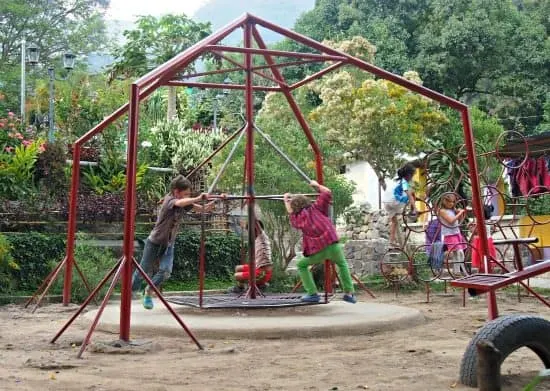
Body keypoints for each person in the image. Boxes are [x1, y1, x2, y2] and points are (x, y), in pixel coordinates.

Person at [131, 175, 215, 309]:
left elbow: (200, 209)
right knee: (143, 270)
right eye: (186, 194)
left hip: (169, 244)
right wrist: (199, 197)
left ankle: (148, 292)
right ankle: (130, 292)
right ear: (176, 192)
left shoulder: (183, 202)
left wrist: (211, 204)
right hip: (155, 242)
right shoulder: (169, 200)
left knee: (166, 271)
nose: (188, 196)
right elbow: (180, 203)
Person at [284, 180, 356, 303]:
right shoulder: (317, 207)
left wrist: (286, 200)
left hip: (319, 250)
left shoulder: (298, 219)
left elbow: (290, 212)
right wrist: (317, 186)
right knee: (342, 264)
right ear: (307, 202)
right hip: (333, 244)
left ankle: (312, 293)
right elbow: (327, 192)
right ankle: (349, 293)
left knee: (302, 265)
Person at [228, 219, 273, 294]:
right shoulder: (256, 239)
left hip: (263, 273)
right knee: (238, 268)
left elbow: (255, 223)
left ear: (255, 230)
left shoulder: (262, 237)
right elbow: (248, 227)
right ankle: (240, 288)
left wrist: (251, 210)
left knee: (237, 276)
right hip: (257, 269)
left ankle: (260, 284)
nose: (248, 233)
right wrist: (243, 224)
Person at [383, 163, 417, 247]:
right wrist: (415, 208)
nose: (412, 178)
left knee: (394, 222)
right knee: (412, 193)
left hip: (386, 202)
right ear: (409, 175)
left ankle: (391, 241)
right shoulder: (404, 182)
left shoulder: (395, 179)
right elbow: (409, 195)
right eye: (412, 176)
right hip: (395, 201)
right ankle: (413, 210)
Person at [437, 193, 467, 277]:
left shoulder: (452, 210)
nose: (451, 204)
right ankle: (458, 272)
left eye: (453, 202)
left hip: (456, 232)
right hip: (449, 235)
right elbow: (451, 221)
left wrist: (459, 213)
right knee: (458, 252)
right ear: (444, 202)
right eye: (449, 202)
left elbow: (459, 221)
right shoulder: (442, 211)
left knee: (459, 253)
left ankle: (457, 271)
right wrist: (460, 213)